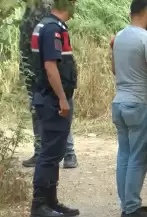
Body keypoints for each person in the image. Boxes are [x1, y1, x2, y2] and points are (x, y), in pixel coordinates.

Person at [110, 0, 147, 216]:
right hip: (140, 104)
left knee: (124, 154)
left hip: (119, 103)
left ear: (130, 13)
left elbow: (116, 69)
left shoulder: (119, 37)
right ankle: (132, 208)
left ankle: (127, 204)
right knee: (138, 156)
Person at [29, 0, 79, 216]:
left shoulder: (49, 26)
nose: (76, 6)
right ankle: (40, 205)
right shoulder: (52, 29)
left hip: (49, 98)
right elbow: (50, 67)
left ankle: (51, 202)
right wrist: (62, 98)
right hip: (52, 100)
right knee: (49, 154)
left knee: (55, 152)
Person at [19, 0, 78, 169]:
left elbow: (52, 57)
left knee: (59, 114)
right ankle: (42, 151)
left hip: (46, 71)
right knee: (46, 114)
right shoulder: (30, 9)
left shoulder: (47, 12)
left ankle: (67, 153)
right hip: (36, 70)